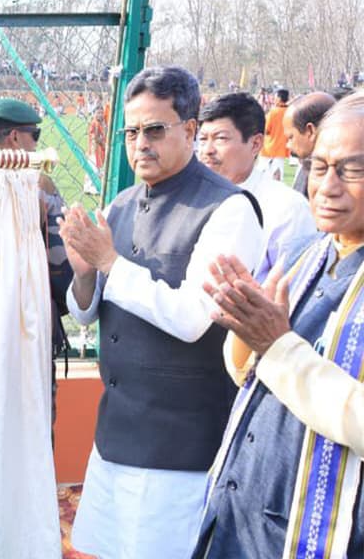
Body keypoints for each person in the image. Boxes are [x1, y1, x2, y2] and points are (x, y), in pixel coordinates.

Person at [58, 66, 264, 559]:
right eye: (131, 132)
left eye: (154, 129)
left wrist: (110, 262)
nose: (141, 144)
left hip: (181, 448)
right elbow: (87, 314)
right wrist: (85, 274)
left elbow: (193, 318)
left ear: (189, 130)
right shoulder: (122, 203)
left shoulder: (229, 209)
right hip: (116, 434)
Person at [194, 96, 364, 557]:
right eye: (319, 167)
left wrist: (276, 344)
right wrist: (245, 325)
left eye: (350, 170)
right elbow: (251, 373)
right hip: (243, 517)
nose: (326, 187)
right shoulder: (312, 255)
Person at [0, 98, 73, 430]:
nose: (36, 144)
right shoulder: (40, 186)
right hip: (28, 328)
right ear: (15, 138)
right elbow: (62, 266)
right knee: (33, 429)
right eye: (34, 135)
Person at [198, 92, 317, 279]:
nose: (207, 150)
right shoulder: (188, 199)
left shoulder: (288, 209)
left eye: (220, 138)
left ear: (255, 144)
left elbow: (294, 284)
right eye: (203, 139)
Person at [283, 91, 337, 198]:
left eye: (291, 137)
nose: (288, 145)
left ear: (310, 131)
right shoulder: (308, 167)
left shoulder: (333, 181)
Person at [258, 88, 291, 181]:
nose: (273, 98)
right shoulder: (290, 112)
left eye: (275, 96)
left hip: (269, 146)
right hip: (282, 147)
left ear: (279, 98)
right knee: (278, 172)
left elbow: (266, 130)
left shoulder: (273, 112)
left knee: (262, 171)